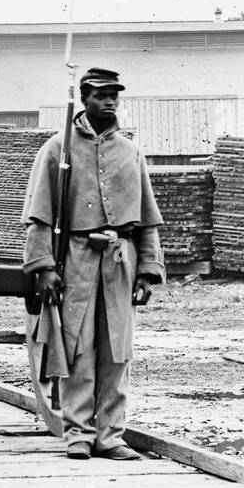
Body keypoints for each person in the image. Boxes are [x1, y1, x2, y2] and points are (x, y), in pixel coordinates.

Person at [22, 66, 164, 460]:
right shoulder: (58, 149)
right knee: (77, 349)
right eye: (101, 94)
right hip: (76, 260)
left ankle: (111, 435)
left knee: (117, 351)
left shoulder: (131, 153)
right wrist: (45, 267)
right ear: (84, 98)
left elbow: (147, 221)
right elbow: (40, 215)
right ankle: (79, 435)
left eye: (115, 93)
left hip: (119, 262)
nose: (110, 100)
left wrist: (149, 271)